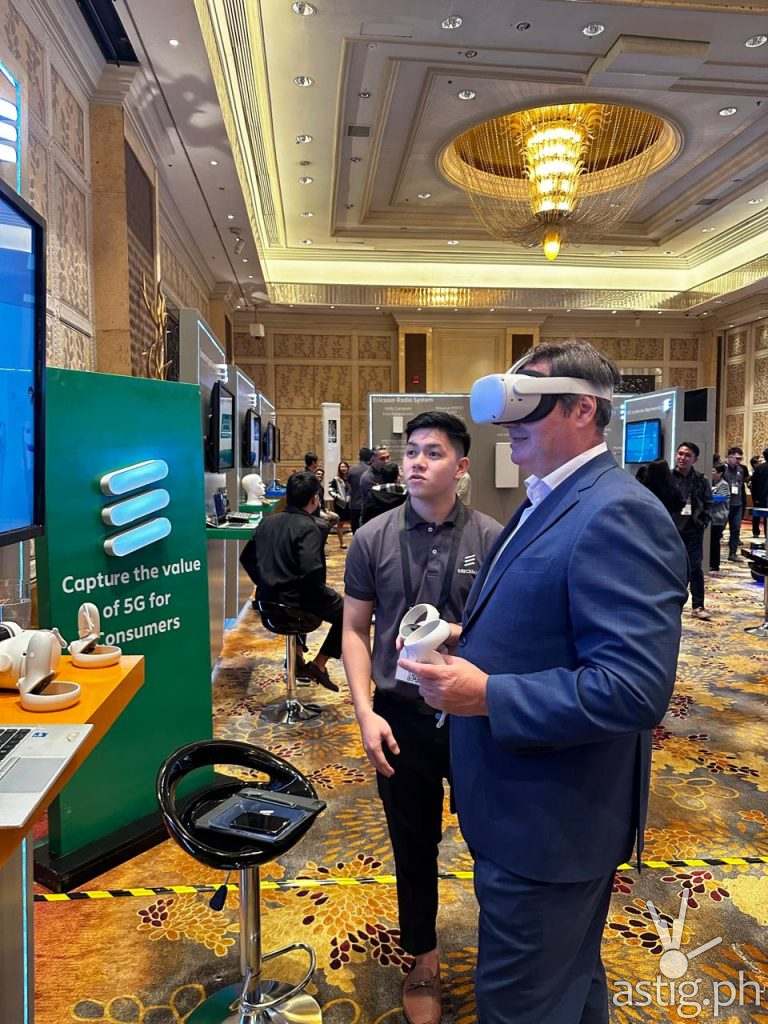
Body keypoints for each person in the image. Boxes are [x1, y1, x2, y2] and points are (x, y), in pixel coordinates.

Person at [399, 341, 687, 1024]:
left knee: (520, 1004)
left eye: (527, 406)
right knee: (569, 988)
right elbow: (553, 620)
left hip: (552, 827)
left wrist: (487, 694)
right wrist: (472, 642)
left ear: (583, 409)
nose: (508, 424)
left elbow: (634, 687)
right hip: (524, 813)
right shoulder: (547, 499)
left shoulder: (618, 511)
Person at [343, 412, 502, 1024]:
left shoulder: (492, 538)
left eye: (433, 453)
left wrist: (460, 637)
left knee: (494, 839)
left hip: (472, 713)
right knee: (412, 844)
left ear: (460, 467)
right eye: (411, 451)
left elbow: (505, 634)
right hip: (398, 718)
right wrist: (364, 713)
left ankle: (503, 955)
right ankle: (424, 958)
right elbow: (354, 630)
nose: (416, 462)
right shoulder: (371, 538)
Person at [241, 471, 341, 692]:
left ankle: (296, 656)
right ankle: (318, 665)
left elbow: (246, 558)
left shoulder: (266, 522)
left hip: (267, 604)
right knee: (349, 613)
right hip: (295, 609)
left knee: (306, 595)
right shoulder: (311, 527)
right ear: (315, 499)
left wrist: (265, 582)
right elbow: (311, 571)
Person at [671, 442, 713, 621]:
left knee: (695, 568)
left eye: (687, 455)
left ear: (695, 459)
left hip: (693, 529)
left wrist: (703, 521)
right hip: (671, 530)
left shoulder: (700, 480)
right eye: (680, 454)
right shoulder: (668, 478)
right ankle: (671, 604)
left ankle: (698, 606)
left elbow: (708, 503)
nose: (682, 458)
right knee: (671, 568)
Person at [723, 446, 748, 560]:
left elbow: (740, 486)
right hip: (724, 504)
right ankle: (712, 555)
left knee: (736, 529)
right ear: (729, 457)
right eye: (737, 458)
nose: (738, 461)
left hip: (737, 504)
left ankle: (732, 553)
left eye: (740, 459)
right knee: (719, 530)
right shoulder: (722, 469)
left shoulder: (741, 470)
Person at [710, 464, 730, 574]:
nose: (712, 473)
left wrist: (707, 498)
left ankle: (715, 565)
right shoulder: (712, 483)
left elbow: (719, 499)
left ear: (720, 473)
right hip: (711, 517)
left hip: (719, 517)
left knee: (715, 541)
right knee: (711, 541)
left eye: (714, 471)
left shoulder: (723, 485)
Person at [348, 446, 373, 534]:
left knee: (355, 530)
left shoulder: (352, 470)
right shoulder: (371, 470)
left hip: (354, 504)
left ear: (359, 456)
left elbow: (349, 485)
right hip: (367, 505)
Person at [359, 445, 391, 512]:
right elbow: (380, 501)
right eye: (382, 458)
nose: (386, 461)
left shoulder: (387, 473)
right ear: (373, 459)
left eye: (388, 457)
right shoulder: (367, 477)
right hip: (373, 514)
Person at [328, 460, 352, 549]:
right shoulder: (336, 479)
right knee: (340, 524)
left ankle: (354, 542)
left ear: (348, 468)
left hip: (350, 503)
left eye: (345, 466)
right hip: (340, 504)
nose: (343, 468)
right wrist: (337, 497)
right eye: (341, 467)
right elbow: (330, 490)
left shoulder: (350, 478)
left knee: (353, 522)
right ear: (339, 468)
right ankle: (342, 543)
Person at [750, 447, 768, 539]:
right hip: (763, 496)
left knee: (757, 515)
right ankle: (766, 533)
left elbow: (754, 485)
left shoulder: (758, 468)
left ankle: (756, 532)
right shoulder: (760, 468)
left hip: (759, 496)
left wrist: (755, 498)